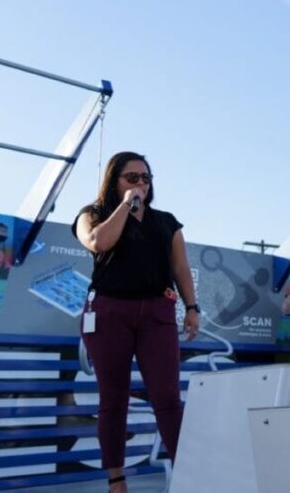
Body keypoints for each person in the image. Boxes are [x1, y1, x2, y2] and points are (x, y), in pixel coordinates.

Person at [73, 151, 199, 492]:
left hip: (156, 313)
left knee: (167, 398)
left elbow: (180, 268)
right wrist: (126, 205)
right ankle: (117, 480)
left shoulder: (167, 221)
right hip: (109, 311)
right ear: (115, 180)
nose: (141, 183)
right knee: (114, 399)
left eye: (146, 178)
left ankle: (189, 475)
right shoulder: (92, 214)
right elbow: (98, 241)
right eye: (132, 178)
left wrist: (192, 306)